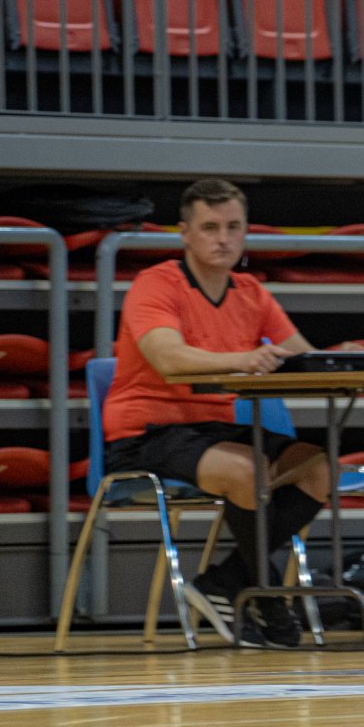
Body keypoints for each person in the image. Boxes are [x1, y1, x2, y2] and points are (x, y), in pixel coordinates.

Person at [102, 179, 321, 648]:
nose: (223, 238)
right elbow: (169, 359)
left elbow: (298, 354)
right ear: (184, 233)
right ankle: (265, 597)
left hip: (214, 428)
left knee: (317, 468)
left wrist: (340, 358)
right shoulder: (156, 284)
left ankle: (225, 582)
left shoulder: (250, 290)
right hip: (146, 430)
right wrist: (242, 360)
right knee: (247, 470)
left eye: (233, 227)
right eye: (210, 227)